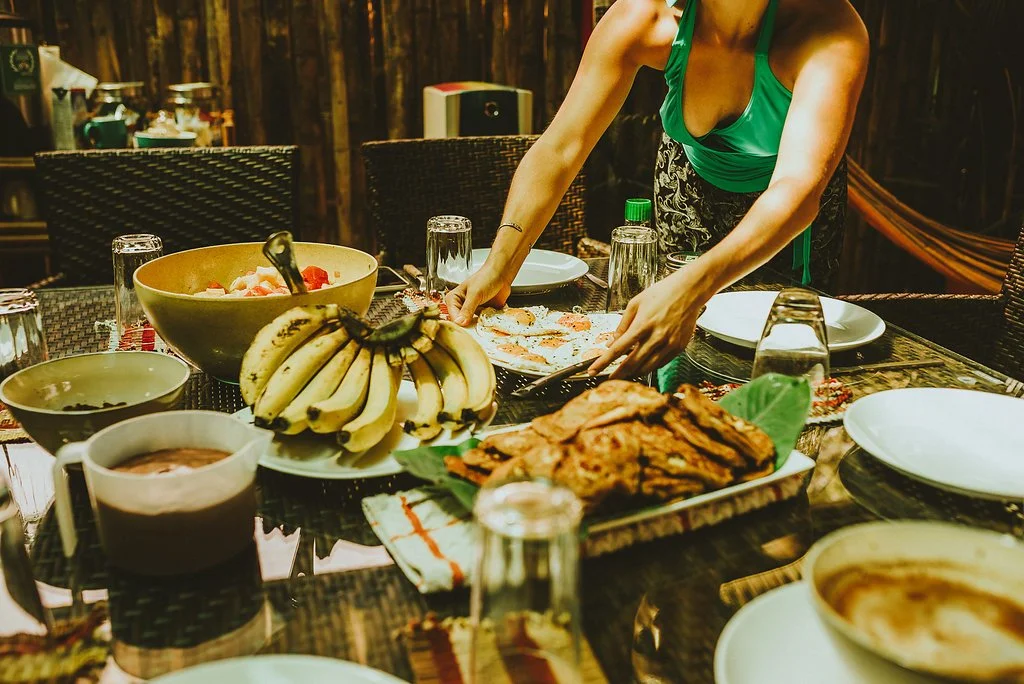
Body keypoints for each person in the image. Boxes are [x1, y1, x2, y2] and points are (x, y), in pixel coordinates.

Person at [444, 0, 868, 382]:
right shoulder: (644, 15)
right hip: (687, 191)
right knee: (672, 365)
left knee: (776, 373)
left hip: (783, 223)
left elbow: (797, 187)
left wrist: (692, 287)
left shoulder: (829, 28)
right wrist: (500, 265)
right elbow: (559, 148)